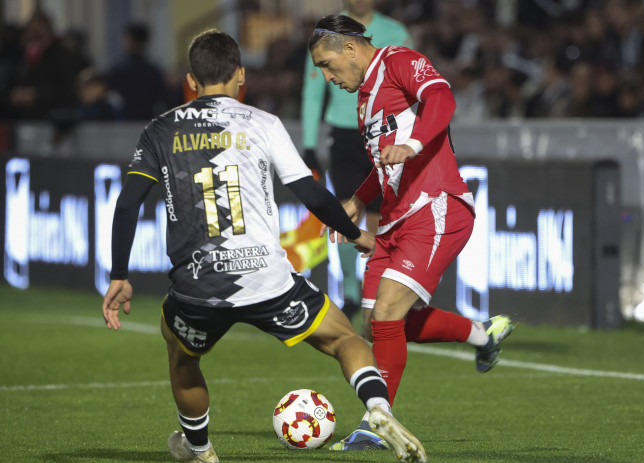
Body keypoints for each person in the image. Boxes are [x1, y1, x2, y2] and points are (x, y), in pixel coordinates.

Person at [101, 29, 426, 463]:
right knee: (345, 339)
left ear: (191, 81)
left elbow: (127, 205)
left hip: (198, 285)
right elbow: (311, 193)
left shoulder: (160, 130)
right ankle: (378, 409)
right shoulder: (262, 123)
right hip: (267, 280)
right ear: (240, 76)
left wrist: (119, 275)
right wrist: (357, 235)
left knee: (181, 355)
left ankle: (200, 450)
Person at [308, 14, 515, 452]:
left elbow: (441, 97)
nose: (327, 77)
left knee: (385, 315)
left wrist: (415, 144)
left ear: (350, 48)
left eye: (327, 64)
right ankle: (483, 335)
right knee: (377, 323)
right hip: (396, 219)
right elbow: (386, 164)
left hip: (436, 206)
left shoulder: (399, 60)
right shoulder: (364, 99)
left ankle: (375, 424)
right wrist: (360, 199)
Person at [301, 0, 412, 322]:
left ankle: (377, 287)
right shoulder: (327, 34)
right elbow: (312, 91)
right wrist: (310, 144)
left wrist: (408, 136)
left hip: (385, 133)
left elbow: (408, 84)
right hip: (346, 135)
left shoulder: (396, 32)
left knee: (381, 218)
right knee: (347, 215)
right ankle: (351, 291)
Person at [107, 23, 168, 121]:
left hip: (122, 124)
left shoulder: (118, 70)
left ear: (130, 40)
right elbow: (162, 99)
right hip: (147, 122)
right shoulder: (154, 72)